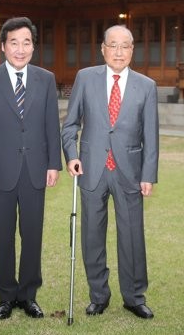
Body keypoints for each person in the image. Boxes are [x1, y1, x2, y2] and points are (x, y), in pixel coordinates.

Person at [62, 25, 159, 319]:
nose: (119, 52)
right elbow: (70, 125)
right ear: (102, 49)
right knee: (92, 234)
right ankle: (98, 295)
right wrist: (72, 156)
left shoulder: (146, 85)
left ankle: (134, 296)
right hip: (91, 168)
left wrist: (148, 174)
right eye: (113, 45)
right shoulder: (85, 78)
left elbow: (151, 136)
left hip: (129, 170)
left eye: (125, 46)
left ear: (133, 50)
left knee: (131, 235)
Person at [0, 17, 61, 319]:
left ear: (33, 46)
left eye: (26, 42)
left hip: (35, 167)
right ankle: (6, 296)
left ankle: (29, 295)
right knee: (3, 235)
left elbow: (51, 123)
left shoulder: (46, 79)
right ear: (2, 46)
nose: (20, 49)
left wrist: (53, 164)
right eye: (14, 43)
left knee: (33, 234)